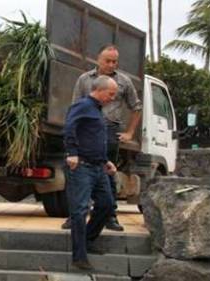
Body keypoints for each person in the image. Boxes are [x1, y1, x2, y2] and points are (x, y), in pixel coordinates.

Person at [61, 44, 142, 232]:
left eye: (115, 61)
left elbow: (136, 107)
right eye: (108, 61)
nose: (112, 64)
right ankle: (76, 216)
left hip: (109, 130)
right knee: (78, 175)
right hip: (86, 131)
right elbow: (75, 107)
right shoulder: (84, 79)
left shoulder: (124, 81)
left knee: (108, 174)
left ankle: (110, 216)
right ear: (98, 59)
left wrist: (130, 133)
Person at [64, 75, 118, 270]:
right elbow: (70, 127)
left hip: (98, 167)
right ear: (100, 90)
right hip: (82, 167)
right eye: (111, 94)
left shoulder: (97, 110)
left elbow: (93, 138)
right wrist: (71, 152)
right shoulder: (83, 106)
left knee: (107, 204)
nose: (113, 98)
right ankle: (79, 256)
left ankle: (87, 240)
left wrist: (106, 161)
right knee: (79, 211)